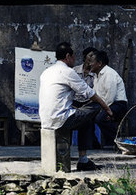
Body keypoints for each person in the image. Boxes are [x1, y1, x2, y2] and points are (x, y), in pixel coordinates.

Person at [39, 42, 113, 171]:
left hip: (46, 118)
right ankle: (83, 159)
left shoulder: (46, 72)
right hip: (61, 119)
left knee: (86, 121)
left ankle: (83, 160)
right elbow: (90, 93)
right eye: (73, 56)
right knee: (95, 105)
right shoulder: (68, 72)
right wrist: (107, 109)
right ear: (68, 56)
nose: (75, 59)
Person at [89, 50, 129, 148]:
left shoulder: (109, 73)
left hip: (117, 104)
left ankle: (116, 141)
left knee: (100, 118)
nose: (89, 64)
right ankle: (95, 145)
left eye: (92, 61)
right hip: (104, 104)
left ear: (99, 63)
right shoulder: (96, 75)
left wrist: (104, 110)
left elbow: (110, 97)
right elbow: (95, 94)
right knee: (86, 117)